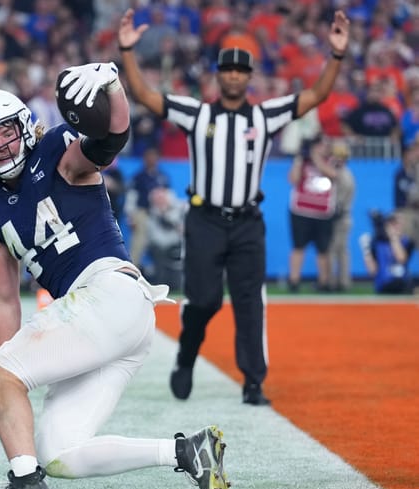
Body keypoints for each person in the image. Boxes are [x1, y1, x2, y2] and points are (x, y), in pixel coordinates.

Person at [0, 68, 229, 489]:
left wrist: (115, 89)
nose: (2, 146)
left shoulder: (56, 151)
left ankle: (24, 485)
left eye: (6, 133)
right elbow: (4, 296)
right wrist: (13, 372)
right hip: (112, 321)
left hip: (107, 292)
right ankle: (186, 453)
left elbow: (110, 139)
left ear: (24, 127)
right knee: (57, 451)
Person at [119, 8, 350, 405]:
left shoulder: (265, 115)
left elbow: (317, 96)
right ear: (218, 75)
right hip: (205, 219)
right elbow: (144, 95)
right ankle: (187, 357)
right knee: (204, 299)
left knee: (249, 302)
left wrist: (336, 55)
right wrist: (127, 52)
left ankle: (253, 382)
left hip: (246, 221)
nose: (234, 76)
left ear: (249, 77)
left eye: (241, 71)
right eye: (227, 69)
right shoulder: (197, 113)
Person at [286, 137, 339, 293]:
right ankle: (294, 280)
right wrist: (298, 160)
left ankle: (324, 281)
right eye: (320, 145)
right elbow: (292, 179)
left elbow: (332, 174)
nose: (323, 147)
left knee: (323, 249)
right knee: (298, 247)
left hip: (323, 213)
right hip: (301, 211)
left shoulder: (332, 160)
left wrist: (316, 158)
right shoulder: (303, 162)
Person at [359, 212, 415, 294]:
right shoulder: (377, 243)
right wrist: (366, 251)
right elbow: (372, 271)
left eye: (399, 224)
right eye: (394, 224)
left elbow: (401, 259)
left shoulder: (407, 242)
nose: (398, 227)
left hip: (403, 285)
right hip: (384, 286)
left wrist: (393, 238)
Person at [327, 139, 355, 292]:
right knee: (340, 250)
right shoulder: (342, 173)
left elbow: (339, 201)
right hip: (341, 215)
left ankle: (338, 282)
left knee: (337, 250)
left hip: (341, 216)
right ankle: (339, 281)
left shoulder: (344, 175)